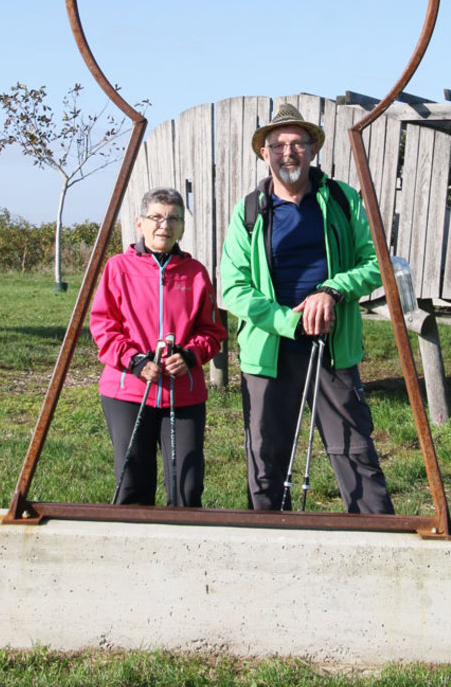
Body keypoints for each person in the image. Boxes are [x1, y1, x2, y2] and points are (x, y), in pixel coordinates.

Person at [220, 103, 394, 514]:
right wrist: (288, 322)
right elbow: (233, 288)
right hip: (269, 350)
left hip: (332, 346)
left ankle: (377, 537)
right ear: (264, 153)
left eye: (298, 143)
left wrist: (332, 291)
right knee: (265, 456)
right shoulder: (249, 211)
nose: (289, 152)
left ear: (313, 149)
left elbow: (376, 263)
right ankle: (267, 538)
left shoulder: (342, 199)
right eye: (278, 145)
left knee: (353, 449)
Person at [90, 187, 226, 506]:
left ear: (182, 227)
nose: (164, 225)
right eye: (156, 217)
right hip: (128, 391)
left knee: (187, 488)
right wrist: (134, 361)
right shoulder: (118, 268)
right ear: (140, 223)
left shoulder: (195, 272)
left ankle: (183, 537)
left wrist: (190, 355)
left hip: (183, 392)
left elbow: (212, 330)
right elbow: (103, 326)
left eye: (173, 219)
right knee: (133, 484)